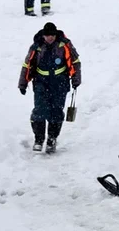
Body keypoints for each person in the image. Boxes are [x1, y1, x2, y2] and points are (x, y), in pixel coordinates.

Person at [18, 22, 80, 153]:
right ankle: (39, 139)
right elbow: (27, 64)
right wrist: (23, 83)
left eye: (52, 35)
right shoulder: (37, 46)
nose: (49, 38)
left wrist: (76, 79)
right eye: (47, 36)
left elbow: (75, 62)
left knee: (56, 111)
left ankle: (52, 138)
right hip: (41, 82)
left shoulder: (65, 45)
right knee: (40, 110)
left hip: (60, 83)